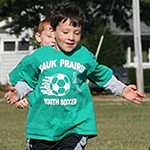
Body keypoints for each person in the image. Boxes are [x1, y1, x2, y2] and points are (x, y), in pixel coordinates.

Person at [6, 2, 144, 150]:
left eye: (76, 33)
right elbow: (27, 80)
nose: (71, 37)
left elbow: (102, 76)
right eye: (65, 32)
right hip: (42, 128)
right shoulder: (39, 56)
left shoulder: (84, 56)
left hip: (75, 127)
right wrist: (19, 92)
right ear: (54, 31)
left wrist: (123, 90)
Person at [5, 18, 56, 108]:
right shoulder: (34, 59)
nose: (53, 41)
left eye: (56, 38)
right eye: (49, 37)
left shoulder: (67, 59)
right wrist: (18, 93)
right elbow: (26, 81)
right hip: (42, 111)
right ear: (38, 37)